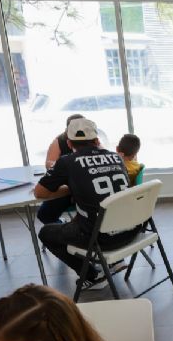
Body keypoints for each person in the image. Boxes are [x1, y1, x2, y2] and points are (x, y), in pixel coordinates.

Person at [36, 118, 139, 290]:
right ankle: (108, 264)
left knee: (46, 232)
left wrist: (70, 188)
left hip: (101, 239)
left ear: (69, 143)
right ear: (97, 140)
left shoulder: (67, 162)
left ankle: (93, 275)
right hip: (131, 231)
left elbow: (40, 193)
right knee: (81, 219)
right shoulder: (116, 157)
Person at [37, 113, 84, 224]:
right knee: (45, 214)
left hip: (85, 189)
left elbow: (39, 192)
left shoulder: (93, 141)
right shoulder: (60, 141)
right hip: (68, 186)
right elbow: (49, 163)